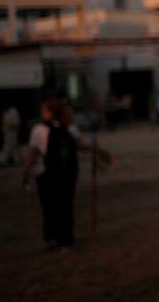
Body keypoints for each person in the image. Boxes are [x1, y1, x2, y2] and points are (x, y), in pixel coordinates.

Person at [20, 99, 111, 250]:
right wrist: (94, 146)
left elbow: (32, 154)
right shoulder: (70, 128)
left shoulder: (39, 129)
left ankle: (52, 238)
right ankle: (66, 239)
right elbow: (80, 146)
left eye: (44, 109)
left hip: (46, 174)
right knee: (66, 205)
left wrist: (26, 173)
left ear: (49, 112)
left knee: (49, 207)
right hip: (68, 173)